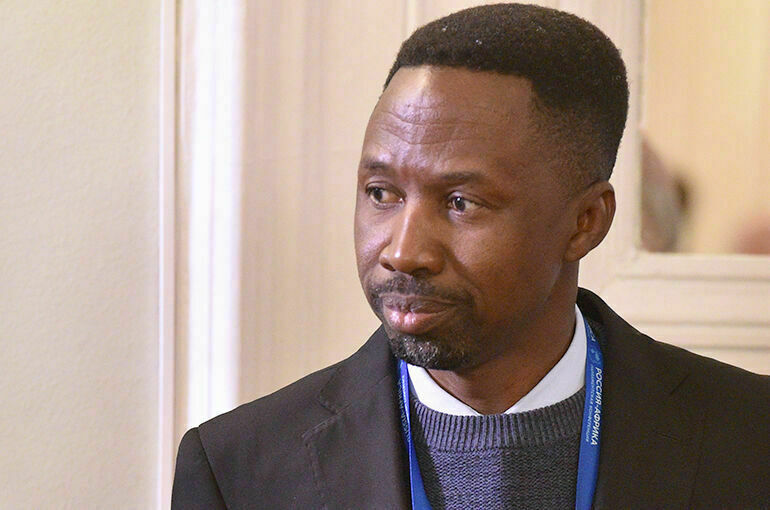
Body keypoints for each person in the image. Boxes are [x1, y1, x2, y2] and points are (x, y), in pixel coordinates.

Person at [171, 4, 769, 509]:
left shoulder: (749, 441)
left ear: (586, 221)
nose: (403, 252)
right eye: (381, 194)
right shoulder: (238, 471)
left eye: (461, 203)